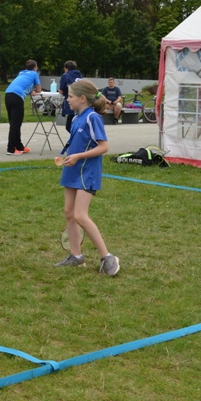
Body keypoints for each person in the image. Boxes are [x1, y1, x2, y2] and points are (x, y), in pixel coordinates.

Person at [54, 79, 120, 276]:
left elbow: (103, 147)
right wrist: (67, 157)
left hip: (86, 173)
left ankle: (107, 257)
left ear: (82, 99)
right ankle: (76, 256)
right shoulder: (75, 119)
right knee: (69, 213)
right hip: (72, 170)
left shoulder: (93, 118)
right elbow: (79, 144)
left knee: (80, 215)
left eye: (71, 96)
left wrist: (78, 157)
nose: (68, 99)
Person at [4, 59, 43, 155]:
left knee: (13, 123)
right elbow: (39, 90)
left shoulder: (21, 73)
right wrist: (33, 89)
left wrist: (30, 90)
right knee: (16, 124)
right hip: (17, 97)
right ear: (34, 68)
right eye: (36, 66)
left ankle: (19, 146)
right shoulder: (34, 74)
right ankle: (11, 149)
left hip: (8, 95)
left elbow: (23, 84)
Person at [59, 60, 83, 133]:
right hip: (81, 101)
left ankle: (76, 140)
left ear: (66, 68)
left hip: (71, 102)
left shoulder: (65, 75)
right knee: (77, 123)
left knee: (69, 126)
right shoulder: (79, 75)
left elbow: (61, 90)